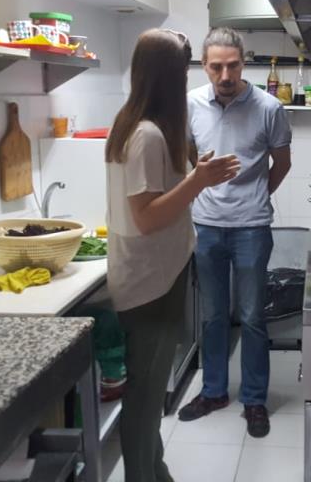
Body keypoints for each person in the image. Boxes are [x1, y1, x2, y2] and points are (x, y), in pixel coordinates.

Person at [104, 28, 240, 482]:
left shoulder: (135, 124)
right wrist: (198, 181)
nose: (186, 81)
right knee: (144, 400)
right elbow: (146, 217)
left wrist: (194, 176)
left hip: (152, 276)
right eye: (182, 72)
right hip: (149, 284)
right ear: (167, 76)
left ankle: (156, 472)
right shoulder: (146, 135)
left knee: (146, 393)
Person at [178, 27, 292, 438]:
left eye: (232, 66)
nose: (225, 75)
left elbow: (282, 163)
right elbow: (190, 155)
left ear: (244, 63)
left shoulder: (269, 108)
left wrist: (255, 196)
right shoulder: (190, 103)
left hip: (251, 228)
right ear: (204, 66)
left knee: (252, 317)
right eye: (216, 67)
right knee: (212, 316)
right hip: (206, 225)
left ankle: (254, 400)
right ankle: (213, 392)